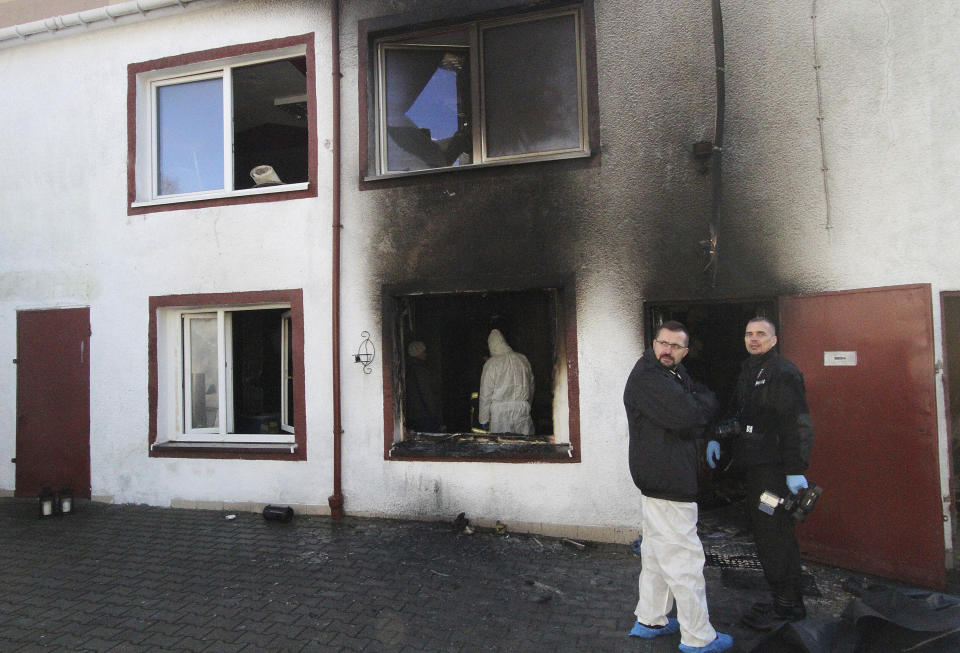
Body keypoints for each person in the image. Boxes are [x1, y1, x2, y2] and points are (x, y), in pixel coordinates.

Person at [623, 321, 733, 653]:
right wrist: (696, 408)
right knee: (684, 559)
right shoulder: (648, 378)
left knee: (656, 553)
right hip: (668, 480)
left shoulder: (672, 374)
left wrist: (696, 405)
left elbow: (702, 398)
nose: (668, 350)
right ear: (653, 343)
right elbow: (689, 415)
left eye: (676, 346)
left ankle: (650, 618)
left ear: (685, 352)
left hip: (660, 477)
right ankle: (699, 637)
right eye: (663, 343)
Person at [706, 317, 815, 631]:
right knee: (766, 532)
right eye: (748, 334)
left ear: (774, 339)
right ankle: (783, 598)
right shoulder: (749, 370)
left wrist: (796, 470)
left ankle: (788, 605)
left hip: (775, 475)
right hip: (756, 472)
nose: (753, 339)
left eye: (760, 334)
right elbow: (737, 412)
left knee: (774, 533)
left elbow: (798, 425)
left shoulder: (783, 373)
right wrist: (717, 434)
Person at [478, 329, 535, 435]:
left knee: (503, 447)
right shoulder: (522, 359)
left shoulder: (491, 364)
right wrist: (527, 404)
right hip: (521, 410)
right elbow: (531, 386)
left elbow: (485, 393)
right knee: (524, 447)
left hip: (500, 414)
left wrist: (483, 418)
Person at [405, 340, 443, 432]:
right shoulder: (420, 370)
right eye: (423, 352)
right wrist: (434, 413)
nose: (425, 354)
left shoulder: (409, 368)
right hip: (423, 415)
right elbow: (426, 393)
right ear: (417, 353)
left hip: (415, 414)